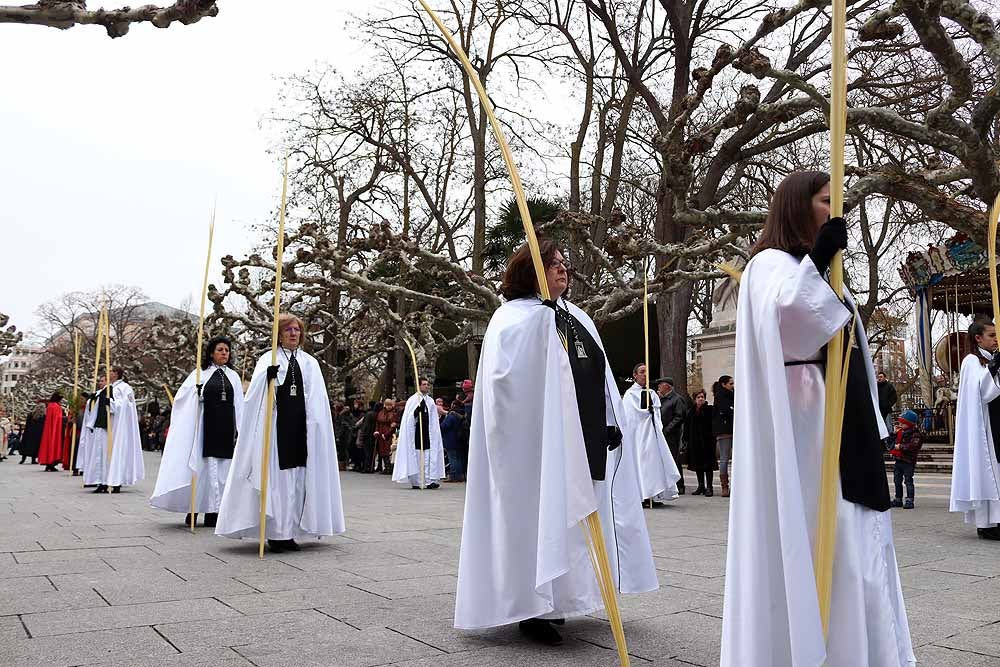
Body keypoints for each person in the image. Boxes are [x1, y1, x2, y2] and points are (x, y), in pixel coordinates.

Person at [720, 171, 913, 666]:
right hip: (805, 432)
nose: (835, 211)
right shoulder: (769, 264)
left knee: (856, 544)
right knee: (826, 541)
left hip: (843, 428)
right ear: (798, 208)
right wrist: (818, 259)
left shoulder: (827, 278)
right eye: (827, 202)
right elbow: (791, 324)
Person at [455, 240, 656, 647]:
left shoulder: (576, 316)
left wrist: (608, 421)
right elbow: (503, 384)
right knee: (539, 518)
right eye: (553, 264)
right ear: (531, 271)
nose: (563, 270)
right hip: (536, 450)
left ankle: (560, 600)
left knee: (573, 526)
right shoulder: (512, 319)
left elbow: (598, 377)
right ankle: (532, 607)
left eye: (565, 263)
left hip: (584, 441)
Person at [215, 313, 345, 553]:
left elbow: (317, 399)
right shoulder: (268, 360)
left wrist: (314, 425)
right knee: (277, 482)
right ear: (279, 334)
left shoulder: (309, 363)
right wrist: (267, 379)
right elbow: (254, 399)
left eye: (297, 329)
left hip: (302, 430)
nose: (293, 333)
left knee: (297, 481)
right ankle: (276, 533)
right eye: (288, 330)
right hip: (276, 430)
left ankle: (291, 531)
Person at [151, 336, 244, 528]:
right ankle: (193, 509)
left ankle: (214, 511)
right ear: (211, 353)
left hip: (225, 429)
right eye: (220, 350)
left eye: (227, 350)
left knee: (222, 472)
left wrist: (241, 430)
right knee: (202, 470)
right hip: (205, 429)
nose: (224, 353)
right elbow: (181, 399)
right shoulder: (200, 374)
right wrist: (197, 394)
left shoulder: (233, 377)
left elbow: (240, 405)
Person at [950, 319, 1000, 540]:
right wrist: (992, 368)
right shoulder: (971, 361)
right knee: (987, 471)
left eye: (996, 335)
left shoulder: (991, 359)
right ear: (978, 338)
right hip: (985, 426)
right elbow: (983, 392)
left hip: (997, 421)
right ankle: (986, 524)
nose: (995, 339)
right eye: (991, 335)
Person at [622, 363, 680, 505]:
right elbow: (630, 417)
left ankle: (654, 494)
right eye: (642, 372)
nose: (645, 374)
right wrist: (644, 413)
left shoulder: (652, 394)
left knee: (653, 464)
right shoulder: (629, 395)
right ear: (635, 375)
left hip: (651, 435)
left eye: (647, 372)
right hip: (638, 436)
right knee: (640, 463)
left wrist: (652, 414)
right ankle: (642, 494)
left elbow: (657, 415)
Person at [83, 367, 145, 493]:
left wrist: (111, 404)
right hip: (105, 425)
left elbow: (127, 406)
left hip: (117, 427)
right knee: (102, 453)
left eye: (111, 371)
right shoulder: (106, 388)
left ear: (116, 374)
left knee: (115, 452)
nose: (108, 372)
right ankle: (102, 481)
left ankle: (115, 481)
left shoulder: (125, 388)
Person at [393, 377, 445, 489]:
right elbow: (409, 419)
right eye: (424, 384)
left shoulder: (430, 401)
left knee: (428, 456)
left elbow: (433, 420)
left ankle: (428, 480)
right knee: (418, 456)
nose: (427, 386)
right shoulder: (413, 400)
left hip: (428, 433)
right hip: (417, 433)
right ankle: (417, 481)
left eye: (427, 384)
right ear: (419, 386)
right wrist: (416, 412)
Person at [655, 376, 688, 494]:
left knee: (674, 459)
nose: (658, 386)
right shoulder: (662, 399)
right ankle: (668, 484)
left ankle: (679, 485)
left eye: (660, 384)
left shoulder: (677, 399)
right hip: (663, 433)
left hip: (672, 435)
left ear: (667, 386)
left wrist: (667, 429)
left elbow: (679, 416)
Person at [889, 409, 923, 510]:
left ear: (909, 424)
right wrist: (894, 434)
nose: (900, 425)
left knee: (908, 480)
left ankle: (909, 500)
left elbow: (913, 446)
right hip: (898, 460)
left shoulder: (915, 434)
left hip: (908, 461)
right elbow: (890, 443)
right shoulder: (900, 433)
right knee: (897, 480)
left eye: (902, 423)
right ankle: (898, 498)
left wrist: (901, 447)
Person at [685, 389, 716, 497]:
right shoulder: (691, 412)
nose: (701, 399)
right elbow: (687, 427)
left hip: (707, 441)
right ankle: (701, 485)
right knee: (698, 465)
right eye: (698, 397)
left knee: (708, 465)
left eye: (702, 397)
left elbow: (713, 424)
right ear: (695, 399)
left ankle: (710, 487)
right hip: (695, 441)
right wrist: (686, 439)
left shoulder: (710, 409)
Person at [711, 375, 734, 497]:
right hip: (724, 430)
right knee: (724, 458)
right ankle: (724, 485)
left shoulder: (733, 394)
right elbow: (727, 410)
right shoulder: (720, 396)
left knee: (734, 458)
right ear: (724, 384)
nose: (733, 385)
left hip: (733, 429)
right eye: (730, 383)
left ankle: (736, 484)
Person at [37, 392, 66, 472]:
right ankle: (52, 463)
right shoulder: (56, 407)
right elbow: (58, 419)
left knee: (48, 445)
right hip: (56, 430)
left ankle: (48, 463)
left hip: (49, 429)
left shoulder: (49, 406)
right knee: (54, 445)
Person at [440, 399, 466, 482]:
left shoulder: (452, 415)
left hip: (450, 439)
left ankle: (454, 475)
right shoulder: (462, 414)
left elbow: (444, 426)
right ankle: (460, 475)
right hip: (460, 439)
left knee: (452, 458)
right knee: (459, 458)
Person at [373, 398, 396, 474]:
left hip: (388, 435)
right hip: (381, 433)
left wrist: (386, 434)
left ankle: (389, 467)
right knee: (382, 451)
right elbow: (377, 423)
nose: (388, 407)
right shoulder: (381, 413)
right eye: (387, 405)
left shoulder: (393, 413)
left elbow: (393, 426)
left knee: (388, 451)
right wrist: (376, 431)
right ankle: (386, 467)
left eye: (390, 405)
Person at [19, 399, 45, 465]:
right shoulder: (43, 417)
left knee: (26, 447)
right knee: (35, 447)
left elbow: (27, 424)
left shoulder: (30, 415)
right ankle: (33, 460)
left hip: (29, 433)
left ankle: (23, 459)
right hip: (38, 434)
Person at [878, 371, 898, 439]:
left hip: (887, 410)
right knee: (880, 427)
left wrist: (888, 405)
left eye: (881, 377)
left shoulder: (889, 386)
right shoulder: (876, 386)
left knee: (889, 427)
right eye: (878, 377)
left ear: (885, 378)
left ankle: (890, 441)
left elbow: (894, 397)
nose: (879, 378)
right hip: (879, 410)